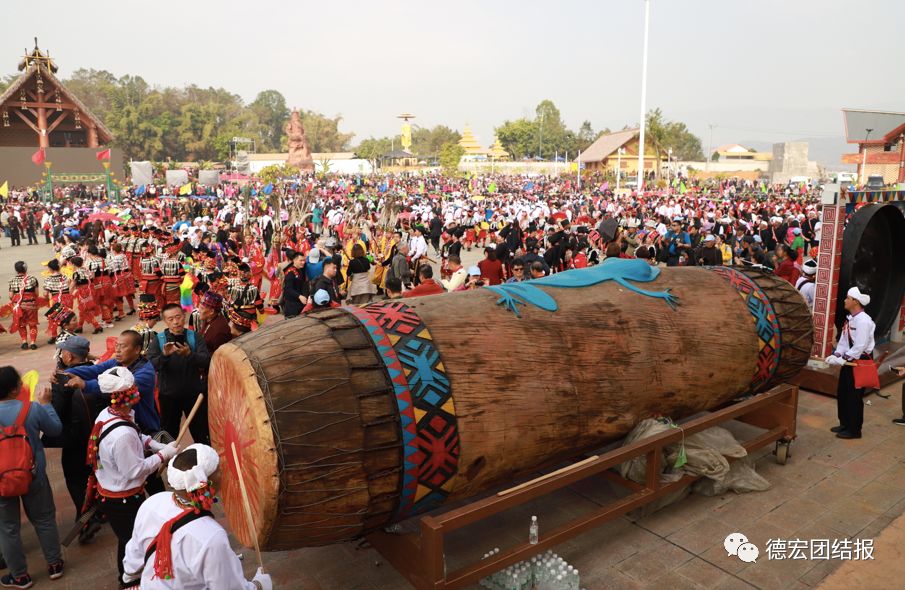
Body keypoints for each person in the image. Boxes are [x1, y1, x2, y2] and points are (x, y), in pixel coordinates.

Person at [122, 444, 272, 590]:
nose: (223, 472)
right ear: (207, 484)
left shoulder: (153, 502)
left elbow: (133, 557)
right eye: (218, 470)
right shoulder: (212, 537)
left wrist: (129, 579)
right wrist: (259, 585)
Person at [84, 367, 178, 588]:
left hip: (115, 493)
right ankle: (128, 582)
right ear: (128, 396)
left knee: (130, 540)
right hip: (123, 500)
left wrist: (154, 444)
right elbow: (135, 471)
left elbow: (136, 433)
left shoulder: (111, 414)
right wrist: (164, 455)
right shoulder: (121, 435)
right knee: (131, 543)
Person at [0, 366, 64, 588]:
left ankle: (19, 576)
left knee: (7, 528)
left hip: (1, 480)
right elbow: (55, 429)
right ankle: (55, 565)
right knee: (44, 519)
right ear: (16, 388)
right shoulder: (33, 409)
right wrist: (47, 405)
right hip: (33, 473)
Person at [64, 330, 161, 435]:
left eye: (123, 346)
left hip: (142, 427)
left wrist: (85, 384)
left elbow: (121, 387)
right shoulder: (117, 362)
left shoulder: (145, 372)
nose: (117, 350)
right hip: (122, 423)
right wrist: (65, 372)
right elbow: (94, 370)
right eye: (117, 345)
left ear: (137, 349)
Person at [147, 305, 212, 445]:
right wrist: (164, 355)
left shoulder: (195, 337)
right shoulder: (158, 340)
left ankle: (205, 461)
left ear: (184, 316)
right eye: (170, 319)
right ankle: (169, 462)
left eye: (178, 317)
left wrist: (190, 355)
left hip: (194, 394)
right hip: (169, 396)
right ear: (165, 321)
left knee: (201, 432)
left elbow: (206, 361)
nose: (175, 322)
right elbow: (151, 366)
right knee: (169, 435)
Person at [825, 287, 875, 440]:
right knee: (843, 392)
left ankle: (854, 430)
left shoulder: (864, 321)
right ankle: (845, 423)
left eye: (847, 298)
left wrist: (844, 358)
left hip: (860, 360)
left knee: (854, 396)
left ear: (855, 301)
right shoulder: (851, 318)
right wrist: (837, 354)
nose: (844, 300)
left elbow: (860, 346)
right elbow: (844, 341)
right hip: (850, 360)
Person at [8, 261, 39, 350]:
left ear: (16, 270)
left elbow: (10, 296)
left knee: (21, 324)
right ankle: (33, 342)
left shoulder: (12, 280)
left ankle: (24, 341)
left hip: (19, 306)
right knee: (32, 324)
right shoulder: (33, 279)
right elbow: (36, 293)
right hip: (31, 304)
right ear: (26, 268)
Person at [282, 251, 308, 318]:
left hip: (299, 302)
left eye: (304, 260)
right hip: (291, 305)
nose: (303, 262)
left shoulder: (300, 270)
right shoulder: (290, 273)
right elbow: (288, 289)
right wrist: (299, 296)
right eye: (301, 260)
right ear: (294, 260)